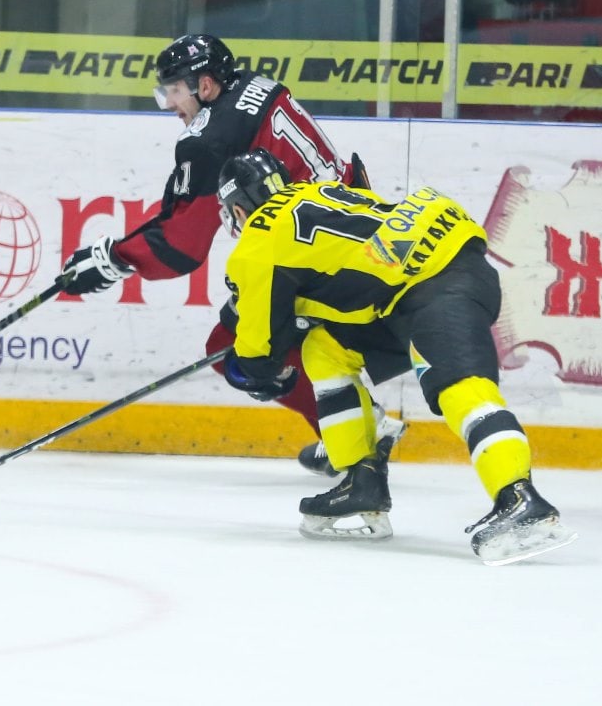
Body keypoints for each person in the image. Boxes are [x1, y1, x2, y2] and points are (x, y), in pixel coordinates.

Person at [59, 33, 404, 474]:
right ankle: (359, 428)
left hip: (320, 254)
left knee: (232, 347)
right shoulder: (253, 87)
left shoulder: (212, 136)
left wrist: (116, 260)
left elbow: (182, 245)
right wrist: (120, 253)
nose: (170, 104)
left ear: (204, 85)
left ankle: (360, 436)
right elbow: (184, 206)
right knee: (282, 338)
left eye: (174, 91)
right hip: (356, 226)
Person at [215, 148, 577, 565]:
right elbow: (347, 267)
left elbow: (260, 355)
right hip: (422, 280)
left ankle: (520, 499)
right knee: (325, 348)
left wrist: (252, 370)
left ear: (238, 209)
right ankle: (361, 482)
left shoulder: (257, 241)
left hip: (436, 285)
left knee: (461, 390)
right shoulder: (316, 193)